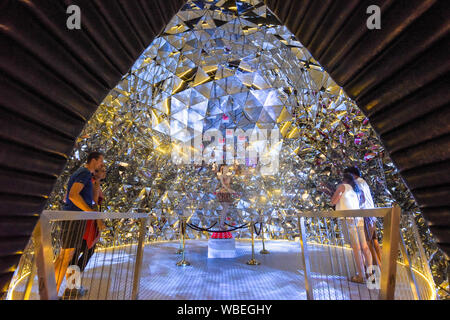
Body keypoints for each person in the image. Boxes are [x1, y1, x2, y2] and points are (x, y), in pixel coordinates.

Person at [54, 151, 104, 298]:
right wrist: (90, 212)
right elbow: (72, 195)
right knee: (66, 257)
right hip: (74, 219)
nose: (102, 164)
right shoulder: (84, 173)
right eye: (101, 161)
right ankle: (51, 293)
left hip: (75, 218)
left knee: (64, 257)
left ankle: (51, 291)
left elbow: (70, 196)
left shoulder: (85, 174)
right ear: (94, 160)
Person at [331, 173, 373, 284]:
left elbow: (333, 201)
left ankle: (361, 276)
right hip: (359, 218)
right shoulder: (356, 189)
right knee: (364, 247)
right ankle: (371, 275)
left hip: (348, 219)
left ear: (344, 180)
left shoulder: (342, 187)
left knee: (356, 248)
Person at [69, 164, 107, 273]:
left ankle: (73, 283)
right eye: (102, 170)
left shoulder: (96, 184)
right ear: (95, 172)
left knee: (85, 252)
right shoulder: (93, 184)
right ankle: (72, 284)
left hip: (90, 220)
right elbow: (94, 203)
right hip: (89, 221)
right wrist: (98, 219)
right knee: (84, 251)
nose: (104, 172)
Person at [345, 167, 382, 267]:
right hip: (371, 214)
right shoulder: (363, 182)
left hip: (364, 215)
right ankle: (383, 268)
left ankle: (376, 271)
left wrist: (356, 208)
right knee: (374, 242)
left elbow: (362, 199)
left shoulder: (357, 183)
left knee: (368, 244)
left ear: (352, 174)